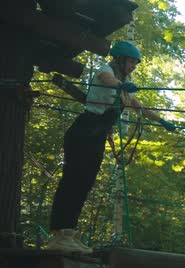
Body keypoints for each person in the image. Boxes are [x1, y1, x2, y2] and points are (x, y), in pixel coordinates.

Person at [47, 41, 176, 254]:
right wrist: (121, 85)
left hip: (95, 138)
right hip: (83, 133)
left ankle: (68, 233)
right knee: (72, 180)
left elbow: (139, 107)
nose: (134, 66)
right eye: (132, 62)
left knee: (84, 184)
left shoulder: (123, 89)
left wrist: (161, 121)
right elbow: (109, 81)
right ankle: (58, 234)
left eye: (136, 63)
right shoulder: (106, 72)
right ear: (120, 59)